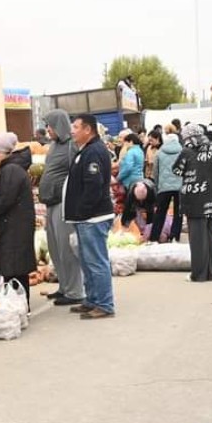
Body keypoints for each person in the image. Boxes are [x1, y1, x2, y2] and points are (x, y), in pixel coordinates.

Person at [64, 113, 116, 319]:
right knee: (87, 262)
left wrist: (82, 211)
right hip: (84, 218)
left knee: (96, 262)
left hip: (93, 217)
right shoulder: (85, 150)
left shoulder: (93, 151)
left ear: (88, 129)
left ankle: (104, 304)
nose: (72, 131)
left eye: (75, 127)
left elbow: (93, 187)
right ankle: (92, 299)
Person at [0, 133, 36, 303]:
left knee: (15, 269)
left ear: (0, 152)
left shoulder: (11, 169)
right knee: (15, 268)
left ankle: (20, 305)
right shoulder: (11, 167)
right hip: (14, 224)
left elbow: (7, 199)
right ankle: (19, 304)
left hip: (15, 227)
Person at [38, 109, 83, 306]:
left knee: (66, 249)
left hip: (64, 203)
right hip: (51, 201)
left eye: (50, 125)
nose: (47, 129)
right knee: (55, 248)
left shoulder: (72, 146)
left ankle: (75, 292)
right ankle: (64, 287)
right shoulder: (53, 146)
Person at [174, 124, 212, 282]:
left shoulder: (187, 152)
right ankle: (211, 273)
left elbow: (176, 170)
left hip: (194, 200)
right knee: (211, 237)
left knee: (197, 239)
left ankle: (198, 274)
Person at [149, 132, 183, 243]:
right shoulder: (182, 151)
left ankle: (154, 237)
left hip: (164, 187)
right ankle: (174, 236)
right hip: (180, 187)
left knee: (160, 213)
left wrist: (158, 185)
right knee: (178, 213)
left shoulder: (159, 152)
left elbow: (156, 171)